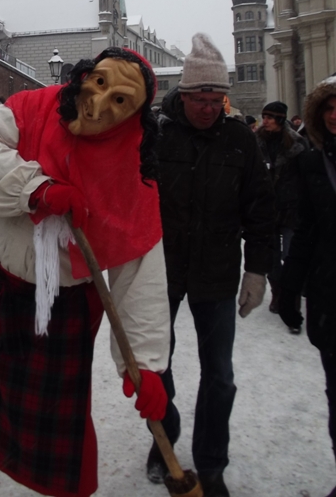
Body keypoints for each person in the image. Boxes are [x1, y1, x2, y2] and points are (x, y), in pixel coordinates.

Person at [0, 47, 171, 497]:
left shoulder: (136, 173)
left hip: (64, 306)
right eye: (100, 83)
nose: (99, 104)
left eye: (121, 101)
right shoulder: (31, 107)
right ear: (85, 74)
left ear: (137, 116)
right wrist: (36, 187)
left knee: (58, 431)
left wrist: (145, 366)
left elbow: (140, 275)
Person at [153, 33, 274, 497]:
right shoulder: (157, 135)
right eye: (200, 99)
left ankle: (211, 461)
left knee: (219, 374)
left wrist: (258, 269)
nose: (208, 108)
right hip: (162, 270)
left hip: (218, 271)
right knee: (154, 365)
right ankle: (165, 437)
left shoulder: (241, 140)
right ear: (183, 96)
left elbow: (261, 210)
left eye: (216, 99)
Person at [279, 77, 336, 497]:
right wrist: (287, 291)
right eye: (328, 108)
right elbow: (307, 231)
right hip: (330, 292)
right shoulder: (313, 165)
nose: (334, 115)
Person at [256, 101, 308, 318]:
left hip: (291, 208)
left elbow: (304, 177)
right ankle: (277, 292)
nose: (265, 121)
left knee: (290, 254)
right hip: (266, 208)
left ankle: (290, 295)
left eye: (269, 117)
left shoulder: (297, 144)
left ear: (279, 119)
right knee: (271, 258)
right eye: (264, 116)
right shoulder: (256, 142)